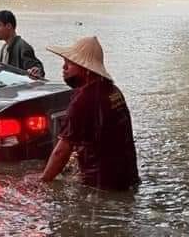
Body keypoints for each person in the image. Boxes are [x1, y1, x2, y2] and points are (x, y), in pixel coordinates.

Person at [40, 36, 139, 191]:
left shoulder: (84, 100)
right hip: (128, 178)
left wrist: (43, 181)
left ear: (86, 69)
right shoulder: (113, 90)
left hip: (101, 186)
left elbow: (61, 151)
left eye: (70, 63)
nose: (64, 67)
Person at [0, 9, 44, 78]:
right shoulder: (4, 47)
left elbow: (36, 70)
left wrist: (37, 71)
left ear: (9, 26)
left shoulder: (23, 47)